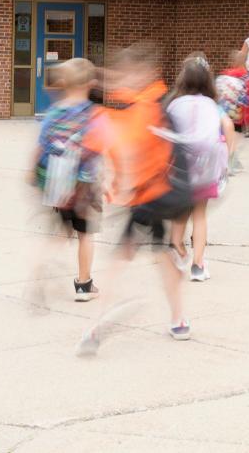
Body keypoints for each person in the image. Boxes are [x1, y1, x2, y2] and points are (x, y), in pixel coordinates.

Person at [77, 43, 193, 356]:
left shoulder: (146, 109)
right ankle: (179, 319)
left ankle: (94, 328)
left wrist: (118, 183)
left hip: (150, 198)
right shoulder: (152, 100)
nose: (119, 82)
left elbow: (129, 142)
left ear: (141, 74)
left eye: (126, 75)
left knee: (118, 261)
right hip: (156, 196)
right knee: (162, 257)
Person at [30, 58, 104, 302]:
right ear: (91, 84)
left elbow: (41, 146)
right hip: (84, 185)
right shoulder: (93, 115)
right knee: (85, 234)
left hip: (58, 184)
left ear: (64, 83)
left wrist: (32, 172)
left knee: (61, 232)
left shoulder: (54, 113)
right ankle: (84, 286)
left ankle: (41, 268)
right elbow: (100, 147)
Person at [163, 54, 231, 282]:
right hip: (205, 169)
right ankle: (198, 265)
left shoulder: (174, 105)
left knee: (180, 214)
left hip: (180, 169)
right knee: (200, 215)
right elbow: (226, 128)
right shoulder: (212, 105)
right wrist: (227, 155)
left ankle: (178, 249)